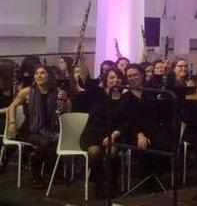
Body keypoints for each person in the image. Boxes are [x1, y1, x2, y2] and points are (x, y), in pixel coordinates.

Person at [4, 65, 69, 187]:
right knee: (45, 143)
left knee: (54, 141)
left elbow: (66, 110)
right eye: (36, 73)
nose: (39, 76)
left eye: (42, 73)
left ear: (49, 76)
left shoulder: (55, 92)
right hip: (29, 130)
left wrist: (65, 100)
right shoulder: (28, 91)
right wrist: (12, 123)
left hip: (47, 129)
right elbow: (12, 106)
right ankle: (35, 174)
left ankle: (54, 174)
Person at [79, 68, 125, 198]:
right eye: (112, 77)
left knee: (112, 153)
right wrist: (81, 57)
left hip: (114, 135)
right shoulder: (97, 94)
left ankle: (112, 185)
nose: (115, 80)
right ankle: (98, 185)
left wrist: (114, 135)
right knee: (94, 152)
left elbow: (125, 122)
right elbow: (86, 79)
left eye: (118, 77)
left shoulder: (125, 99)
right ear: (105, 80)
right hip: (93, 133)